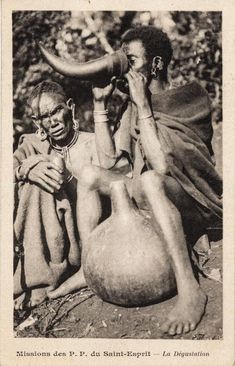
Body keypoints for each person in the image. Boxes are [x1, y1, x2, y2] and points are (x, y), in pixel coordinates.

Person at [47, 26, 222, 336]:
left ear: (155, 64)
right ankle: (91, 267)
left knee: (152, 180)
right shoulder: (131, 106)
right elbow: (110, 163)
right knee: (90, 175)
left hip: (191, 204)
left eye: (132, 61)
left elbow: (162, 168)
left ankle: (189, 288)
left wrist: (143, 106)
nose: (125, 70)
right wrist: (100, 105)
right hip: (149, 194)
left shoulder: (190, 97)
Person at [14, 80, 99, 309]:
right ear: (36, 122)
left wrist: (65, 178)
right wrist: (26, 168)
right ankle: (38, 276)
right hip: (51, 245)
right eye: (43, 117)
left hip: (86, 242)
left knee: (46, 167)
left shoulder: (93, 142)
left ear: (69, 107)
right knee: (35, 169)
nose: (52, 122)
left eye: (56, 111)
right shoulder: (32, 144)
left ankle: (42, 280)